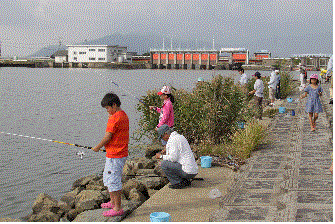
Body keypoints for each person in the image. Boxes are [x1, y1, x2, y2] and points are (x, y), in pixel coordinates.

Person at [92, 92, 129, 217]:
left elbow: (108, 136)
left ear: (114, 105)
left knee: (113, 181)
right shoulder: (123, 115)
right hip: (117, 154)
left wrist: (97, 147)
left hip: (116, 155)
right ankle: (112, 202)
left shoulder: (115, 118)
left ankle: (118, 208)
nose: (107, 111)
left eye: (108, 108)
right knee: (107, 179)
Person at [155, 125, 198, 189]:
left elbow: (173, 158)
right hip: (193, 171)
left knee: (164, 164)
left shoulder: (173, 140)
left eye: (162, 136)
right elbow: (177, 153)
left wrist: (161, 156)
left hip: (187, 172)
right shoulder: (179, 137)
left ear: (166, 134)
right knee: (169, 162)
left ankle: (177, 183)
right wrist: (167, 151)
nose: (162, 139)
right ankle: (185, 181)